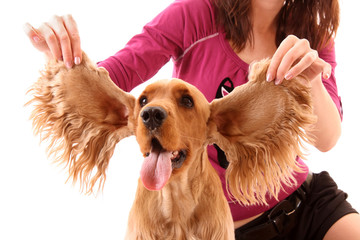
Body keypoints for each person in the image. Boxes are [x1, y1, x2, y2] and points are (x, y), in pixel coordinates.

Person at [24, 0, 360, 239]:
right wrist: (64, 58)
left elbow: (327, 139)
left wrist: (311, 79)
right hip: (219, 228)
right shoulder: (196, 13)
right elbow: (115, 76)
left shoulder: (313, 34)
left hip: (305, 204)